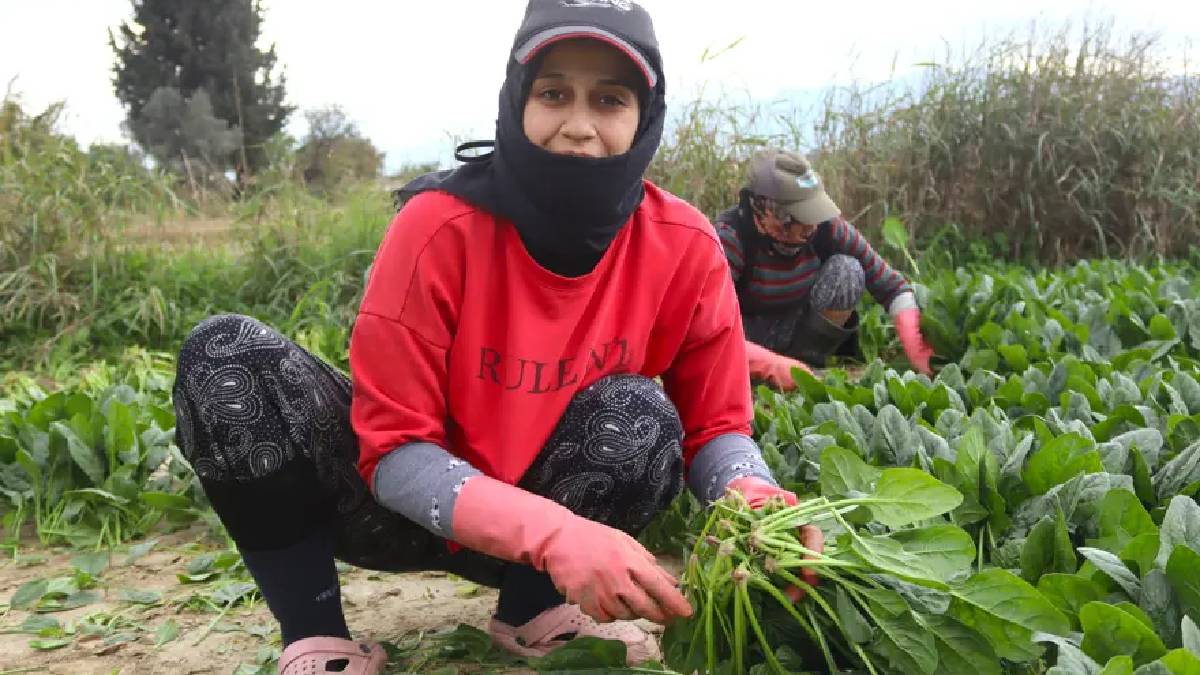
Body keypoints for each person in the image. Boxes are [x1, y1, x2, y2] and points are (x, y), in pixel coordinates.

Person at [171, 2, 821, 674]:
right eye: (553, 94)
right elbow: (394, 449)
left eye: (609, 99)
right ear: (517, 100)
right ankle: (315, 634)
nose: (578, 125)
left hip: (547, 527)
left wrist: (753, 497)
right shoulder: (435, 227)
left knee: (640, 415)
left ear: (645, 116)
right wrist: (554, 533)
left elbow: (717, 427)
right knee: (224, 355)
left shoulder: (684, 246)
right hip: (395, 510)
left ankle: (532, 610)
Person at [714, 149, 935, 390]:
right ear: (767, 210)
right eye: (802, 217)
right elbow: (709, 326)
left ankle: (806, 366)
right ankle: (757, 376)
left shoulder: (827, 229)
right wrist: (768, 365)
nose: (812, 227)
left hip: (797, 329)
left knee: (847, 271)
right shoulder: (730, 239)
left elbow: (890, 285)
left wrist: (915, 343)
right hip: (746, 338)